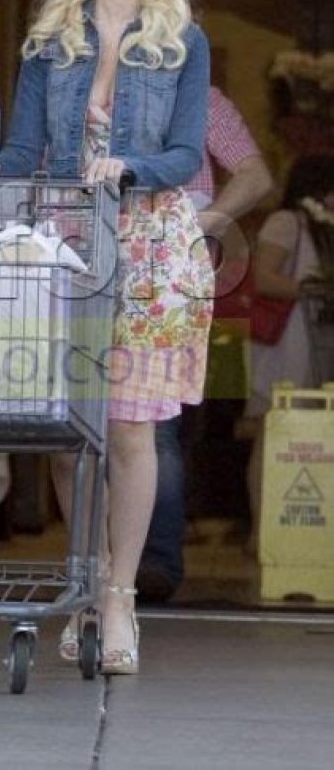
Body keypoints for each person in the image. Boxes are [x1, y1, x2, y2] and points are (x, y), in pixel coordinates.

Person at [0, 0, 213, 675]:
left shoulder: (184, 40)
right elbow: (22, 152)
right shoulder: (50, 40)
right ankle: (85, 582)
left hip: (151, 248)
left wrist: (130, 167)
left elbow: (186, 154)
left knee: (128, 428)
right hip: (64, 244)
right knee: (66, 428)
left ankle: (118, 597)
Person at [137, 86, 274, 601]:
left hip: (167, 281)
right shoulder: (84, 86)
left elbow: (255, 176)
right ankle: (102, 564)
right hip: (93, 267)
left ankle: (153, 564)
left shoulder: (199, 97)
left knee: (156, 425)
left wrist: (196, 228)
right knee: (91, 423)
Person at [244, 154, 334, 535]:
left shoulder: (322, 228)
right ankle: (263, 530)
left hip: (314, 340)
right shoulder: (286, 223)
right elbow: (263, 278)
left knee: (307, 434)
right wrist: (316, 290)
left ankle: (298, 533)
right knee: (273, 431)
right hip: (286, 342)